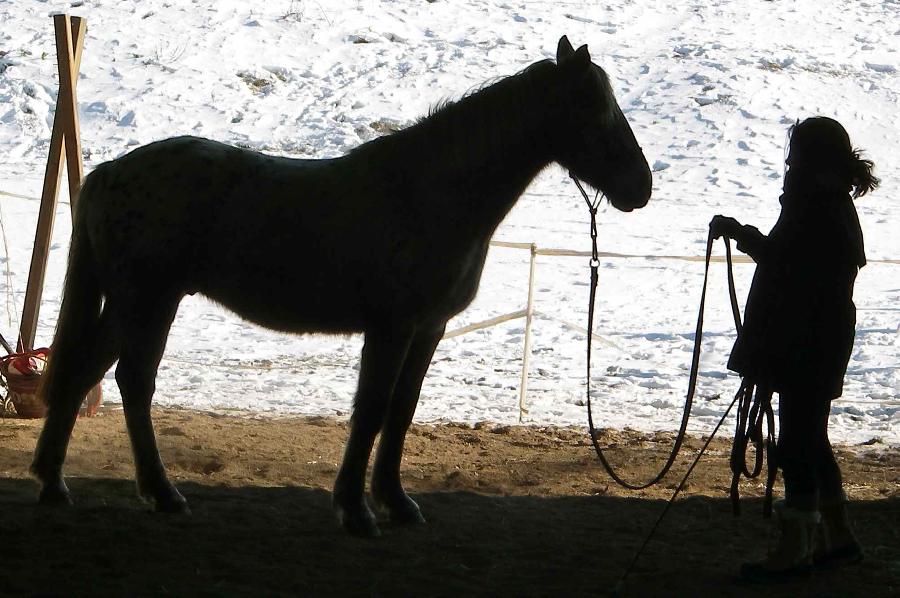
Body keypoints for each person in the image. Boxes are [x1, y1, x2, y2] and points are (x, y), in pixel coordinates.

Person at [709, 116, 879, 582]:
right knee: (811, 439)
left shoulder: (816, 206)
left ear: (810, 160)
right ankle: (838, 539)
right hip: (815, 339)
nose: (788, 163)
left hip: (805, 341)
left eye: (795, 154)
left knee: (798, 444)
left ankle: (795, 548)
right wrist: (743, 234)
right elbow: (795, 263)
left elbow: (793, 268)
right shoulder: (826, 204)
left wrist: (743, 236)